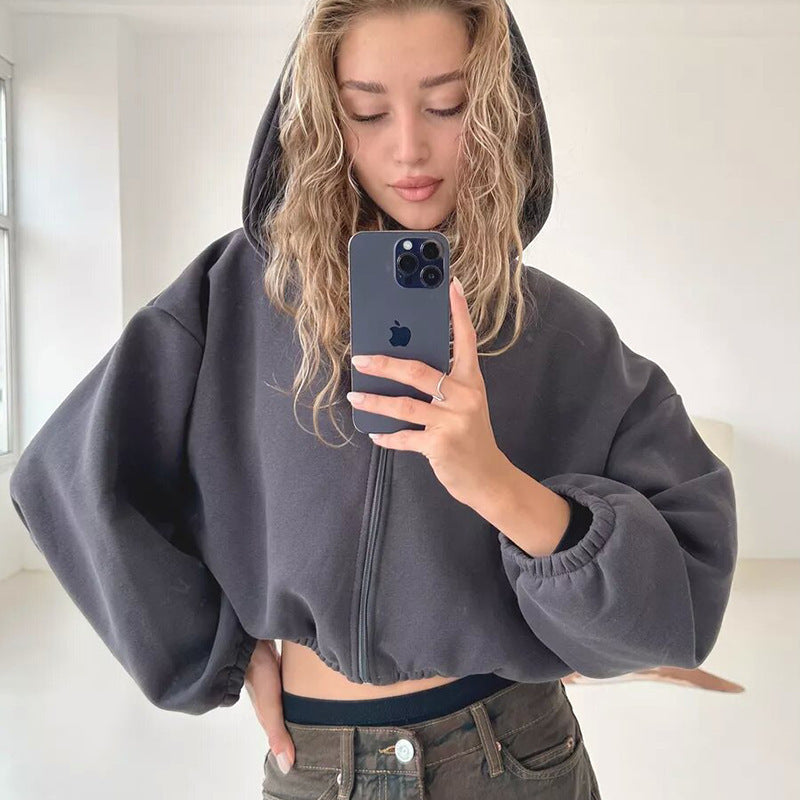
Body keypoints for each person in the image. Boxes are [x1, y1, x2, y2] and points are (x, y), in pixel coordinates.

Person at [8, 1, 738, 799]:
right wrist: (219, 653)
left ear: (498, 108)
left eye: (447, 105)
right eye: (366, 111)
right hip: (318, 765)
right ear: (325, 116)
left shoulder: (563, 333)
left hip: (513, 756)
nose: (409, 147)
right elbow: (65, 477)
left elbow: (676, 607)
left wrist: (495, 483)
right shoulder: (236, 297)